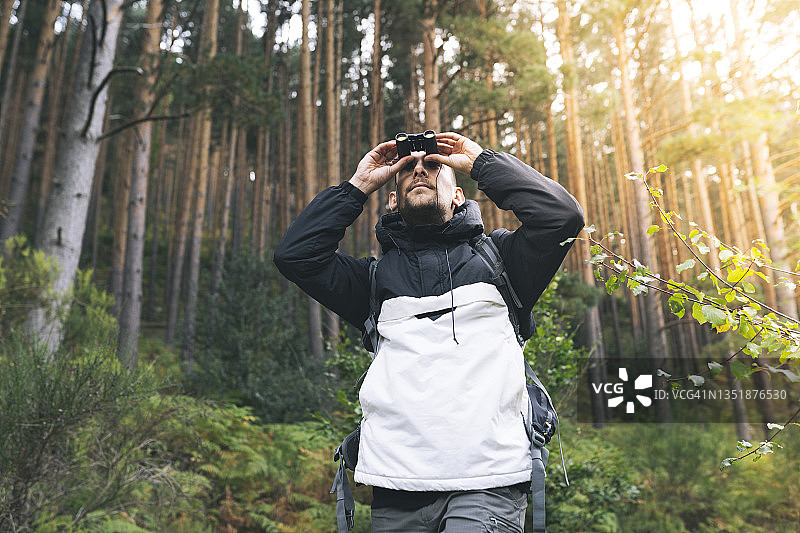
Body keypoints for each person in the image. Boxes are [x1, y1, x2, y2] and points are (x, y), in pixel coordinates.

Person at [274, 131, 583, 532]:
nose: (419, 168)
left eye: (434, 165)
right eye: (406, 169)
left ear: (458, 196)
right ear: (392, 199)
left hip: (488, 485)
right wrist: (359, 185)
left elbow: (562, 217)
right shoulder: (371, 282)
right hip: (395, 487)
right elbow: (295, 256)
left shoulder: (504, 263)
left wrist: (481, 164)